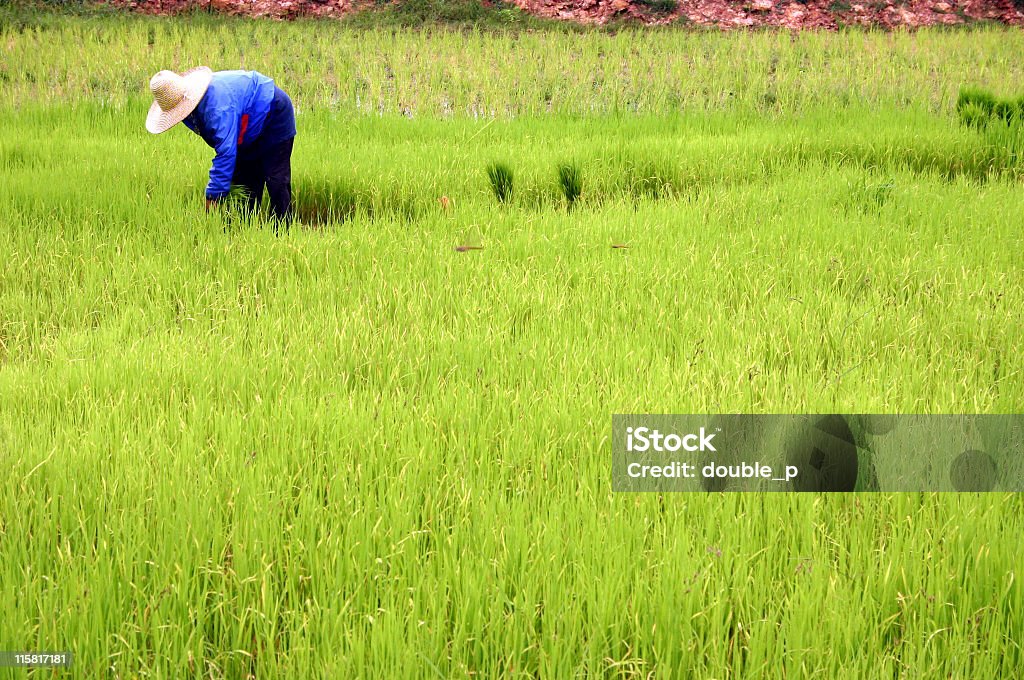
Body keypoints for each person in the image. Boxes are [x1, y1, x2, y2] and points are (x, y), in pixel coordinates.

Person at [146, 67, 296, 224]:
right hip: (245, 126)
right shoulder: (192, 109)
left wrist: (213, 195)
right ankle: (245, 232)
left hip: (274, 113)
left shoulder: (217, 108)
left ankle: (283, 232)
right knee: (246, 183)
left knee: (276, 180)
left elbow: (226, 151)